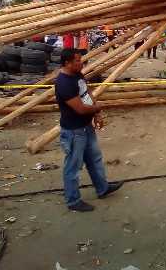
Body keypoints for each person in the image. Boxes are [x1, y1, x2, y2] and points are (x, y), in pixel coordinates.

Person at [55, 49, 123, 212]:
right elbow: (80, 108)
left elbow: (87, 93)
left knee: (94, 159)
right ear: (67, 63)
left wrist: (97, 113)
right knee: (73, 166)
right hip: (74, 131)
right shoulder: (64, 83)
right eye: (77, 61)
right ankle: (73, 201)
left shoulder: (77, 74)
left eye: (81, 60)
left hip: (86, 127)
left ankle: (102, 188)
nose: (81, 63)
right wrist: (98, 108)